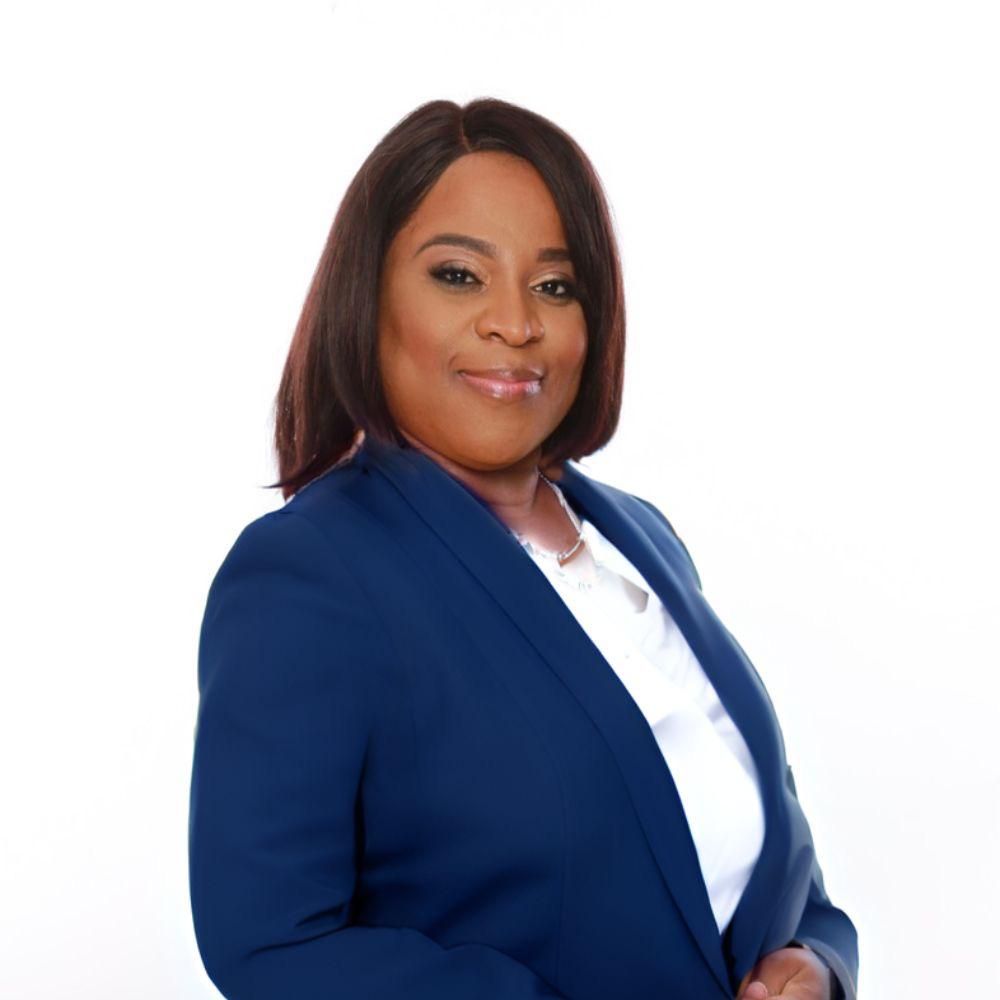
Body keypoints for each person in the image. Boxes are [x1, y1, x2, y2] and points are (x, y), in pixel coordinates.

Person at [188, 97, 859, 1000]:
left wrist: (813, 961)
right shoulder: (311, 576)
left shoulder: (640, 538)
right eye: (459, 275)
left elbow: (755, 840)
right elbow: (272, 946)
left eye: (554, 286)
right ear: (369, 298)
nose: (515, 322)